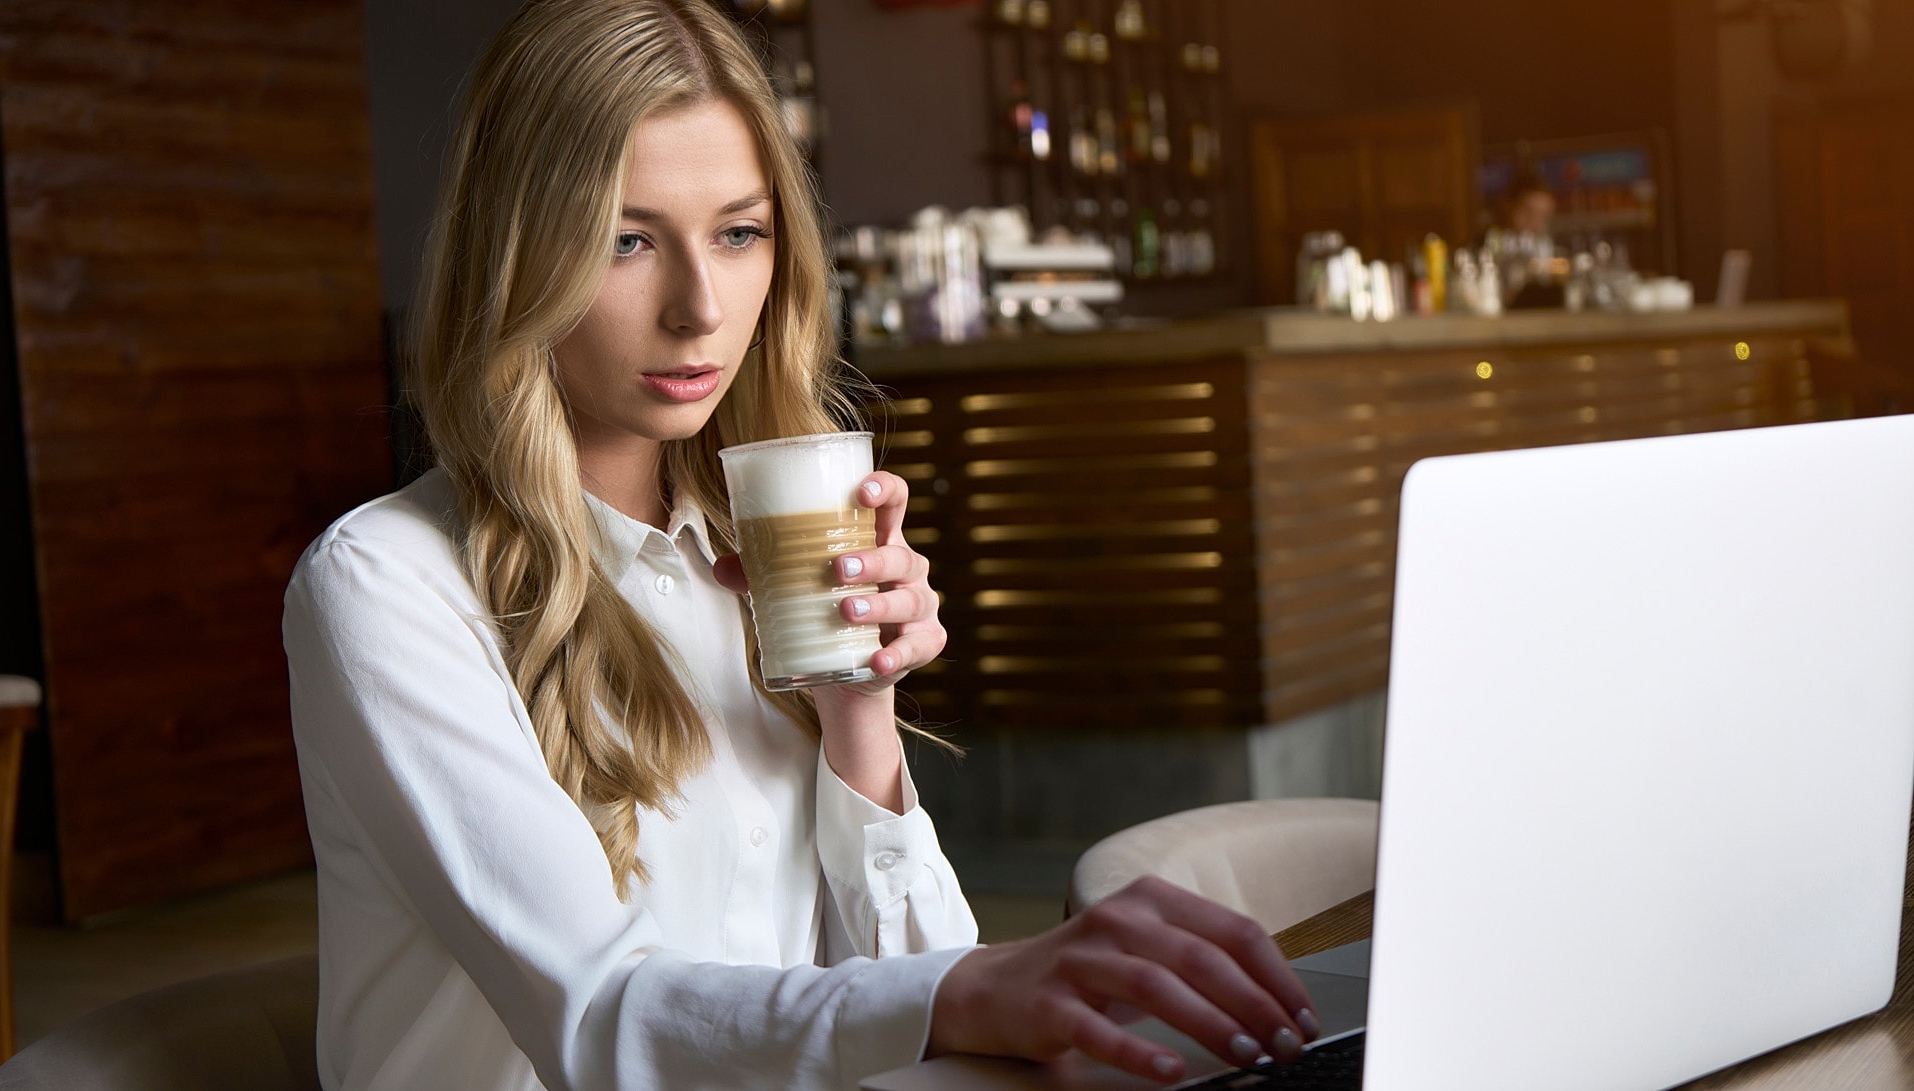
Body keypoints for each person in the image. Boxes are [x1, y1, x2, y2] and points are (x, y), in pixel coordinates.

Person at [283, 1, 1319, 1088]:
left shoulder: (754, 545)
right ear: (513, 257)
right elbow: (598, 1017)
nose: (700, 309)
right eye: (623, 240)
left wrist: (856, 713)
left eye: (739, 232)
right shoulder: (386, 585)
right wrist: (966, 991)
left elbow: (919, 985)